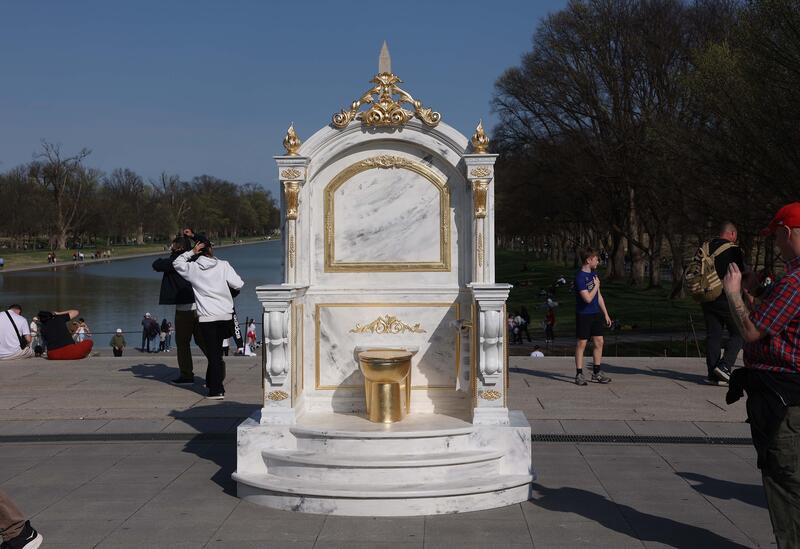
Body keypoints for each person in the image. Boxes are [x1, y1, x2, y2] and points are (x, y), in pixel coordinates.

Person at [723, 203, 800, 549]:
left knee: (786, 484)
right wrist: (753, 298)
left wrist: (734, 293)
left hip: (784, 401)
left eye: (777, 238)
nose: (777, 246)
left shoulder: (795, 282)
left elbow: (752, 332)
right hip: (786, 395)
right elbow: (775, 327)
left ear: (787, 233)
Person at [173, 236, 244, 400]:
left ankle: (217, 389)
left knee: (214, 354)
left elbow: (176, 263)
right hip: (225, 314)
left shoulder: (194, 269)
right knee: (216, 352)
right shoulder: (223, 265)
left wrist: (191, 252)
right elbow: (238, 284)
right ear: (211, 249)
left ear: (199, 250)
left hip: (207, 316)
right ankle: (213, 383)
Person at [152, 234, 203, 383]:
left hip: (184, 309)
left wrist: (173, 253)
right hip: (199, 305)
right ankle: (217, 364)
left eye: (173, 245)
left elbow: (157, 264)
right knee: (202, 341)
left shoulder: (175, 262)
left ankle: (187, 374)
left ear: (179, 247)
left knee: (182, 343)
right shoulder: (196, 261)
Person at [700, 222, 746, 385]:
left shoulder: (705, 246)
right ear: (732, 234)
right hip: (725, 296)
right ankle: (725, 367)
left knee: (713, 334)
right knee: (740, 331)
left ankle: (712, 373)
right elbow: (740, 274)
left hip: (706, 295)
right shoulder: (733, 250)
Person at [574, 248, 612, 386]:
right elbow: (588, 298)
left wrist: (606, 314)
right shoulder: (579, 277)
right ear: (588, 260)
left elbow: (598, 296)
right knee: (582, 343)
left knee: (599, 342)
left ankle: (597, 372)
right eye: (596, 259)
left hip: (596, 314)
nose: (598, 261)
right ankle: (579, 374)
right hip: (583, 315)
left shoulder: (594, 274)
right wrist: (596, 286)